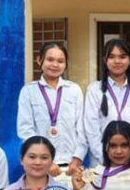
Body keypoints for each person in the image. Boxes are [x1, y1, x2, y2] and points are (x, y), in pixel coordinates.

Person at [17, 42, 85, 178]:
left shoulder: (74, 90)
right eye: (50, 59)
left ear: (65, 64)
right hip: (41, 167)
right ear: (39, 60)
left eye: (60, 61)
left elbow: (82, 128)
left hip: (71, 166)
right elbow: (26, 130)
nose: (55, 65)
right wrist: (45, 160)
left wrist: (78, 158)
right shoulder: (29, 91)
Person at [81, 38, 130, 166]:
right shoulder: (95, 90)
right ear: (105, 60)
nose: (117, 61)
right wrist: (106, 159)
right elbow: (91, 130)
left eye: (122, 57)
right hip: (101, 164)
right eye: (112, 57)